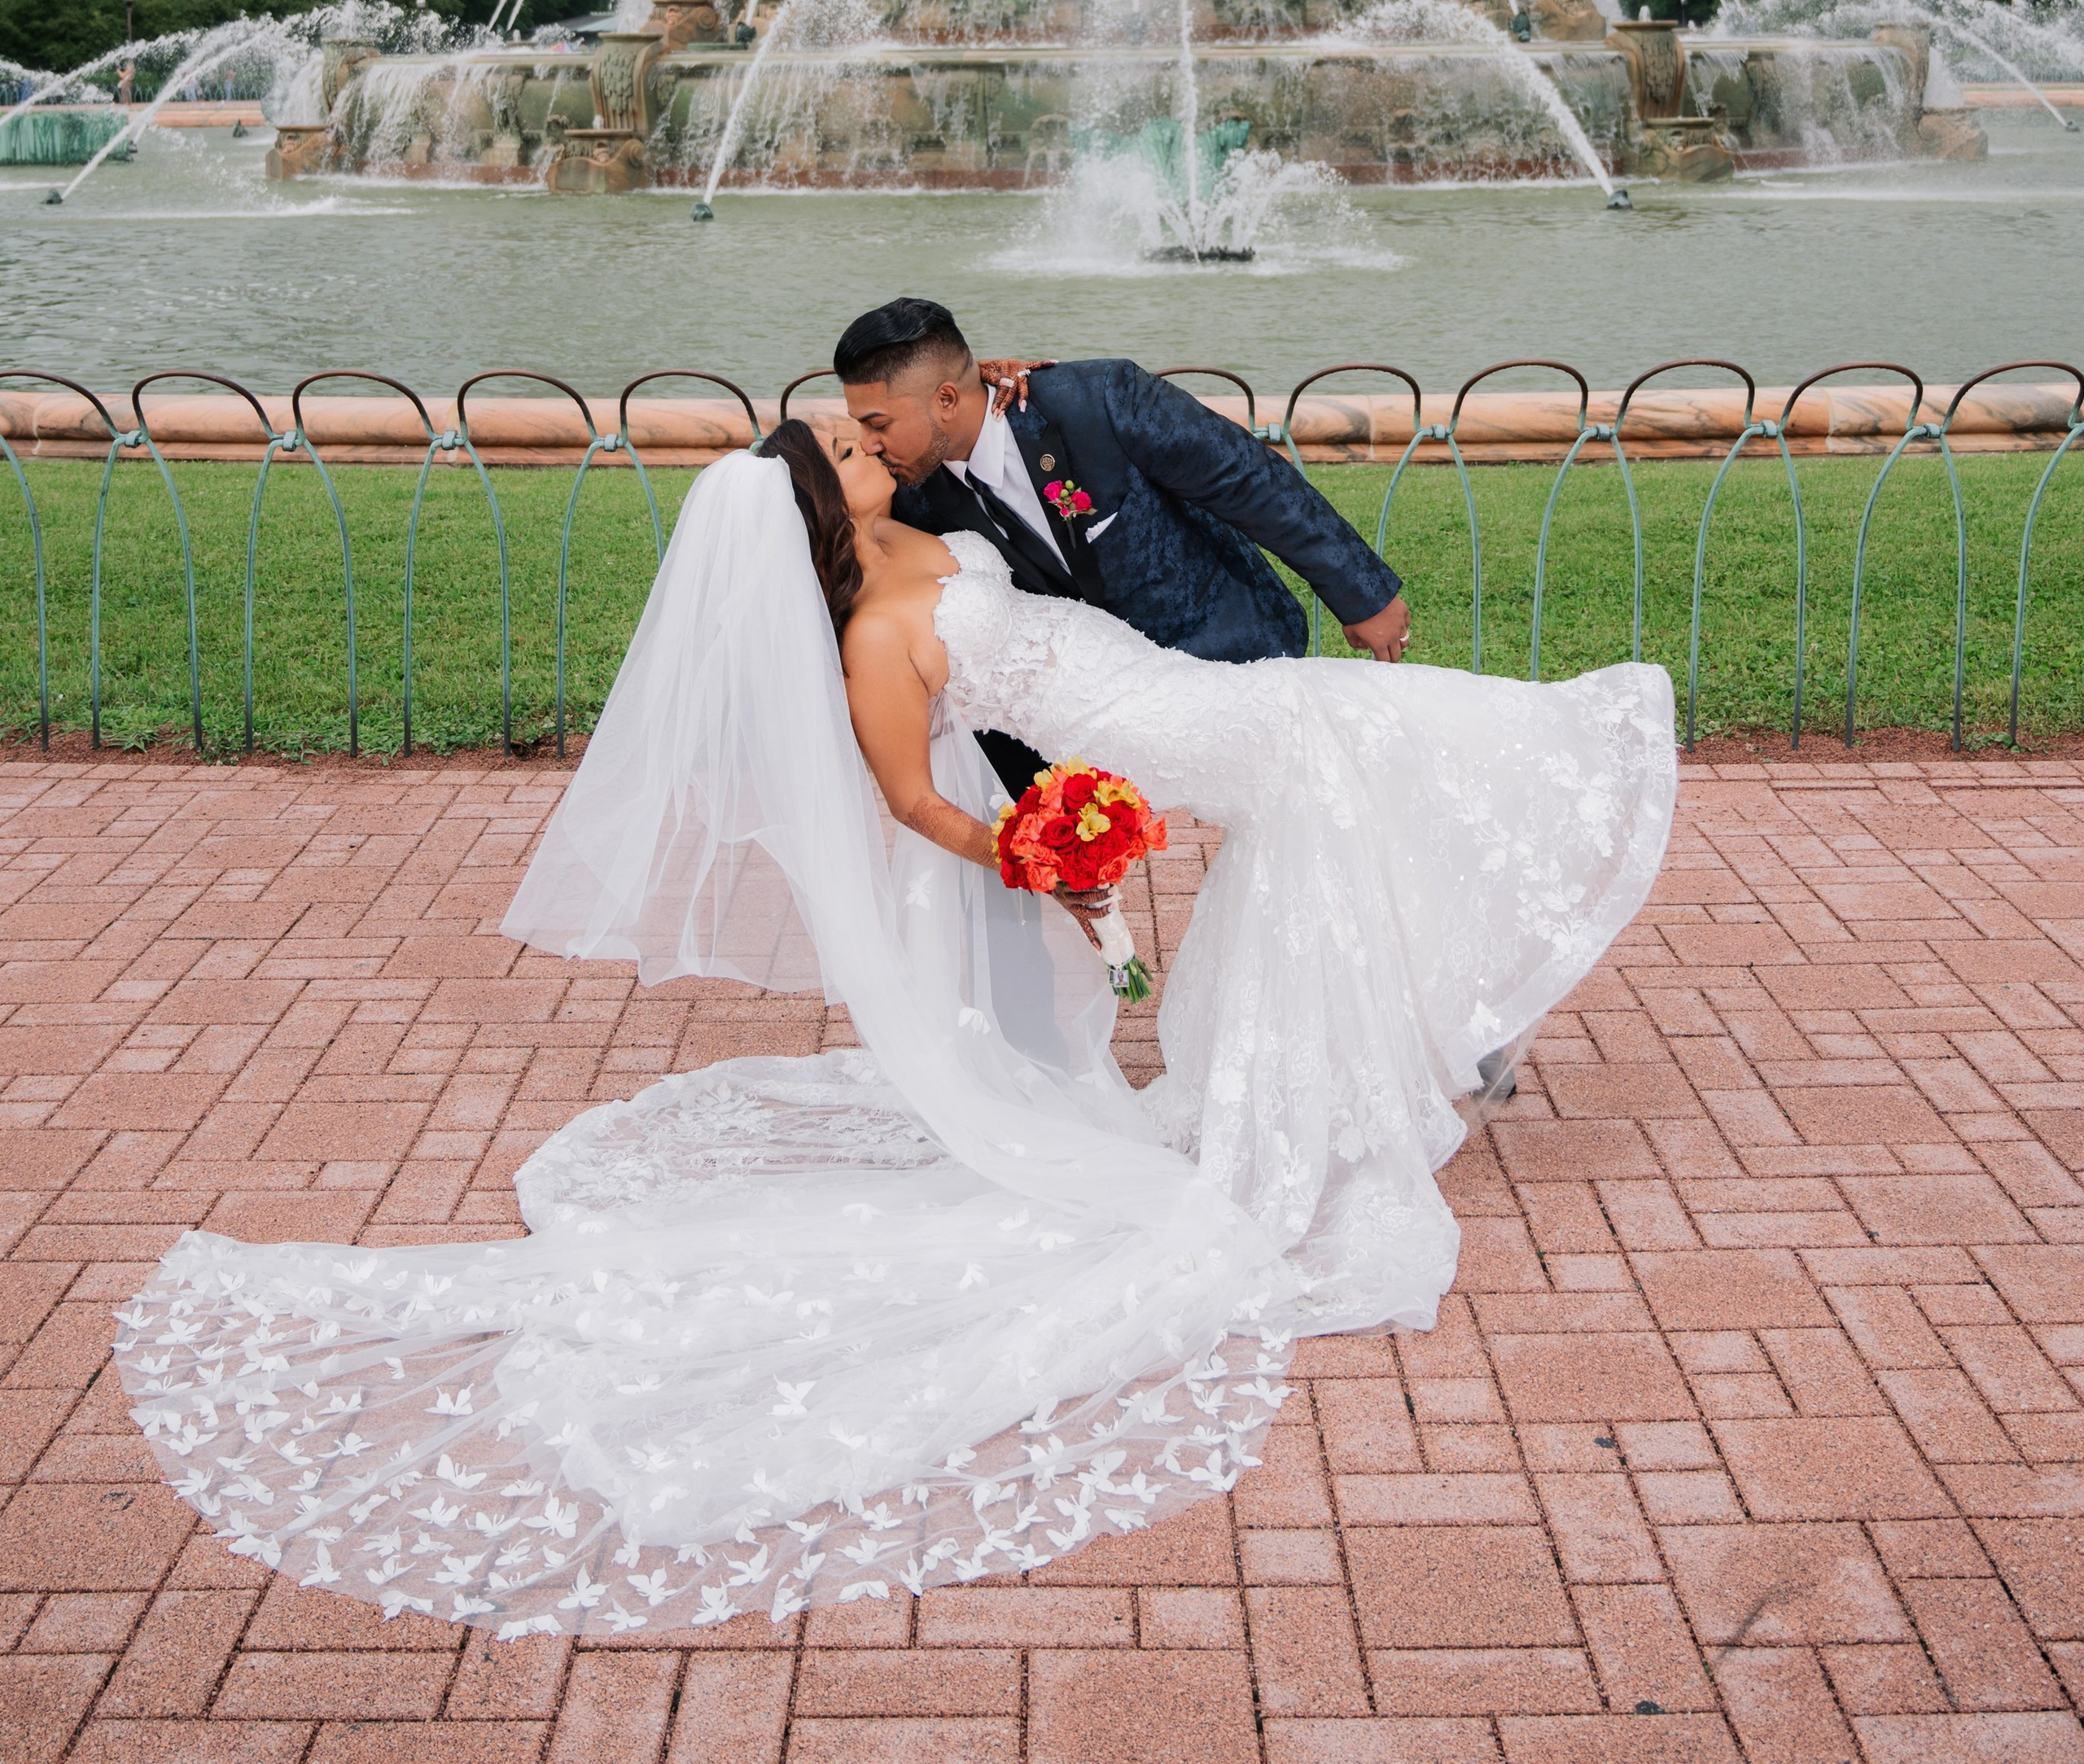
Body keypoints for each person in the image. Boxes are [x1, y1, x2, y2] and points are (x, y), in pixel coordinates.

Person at [116, 431, 1675, 1644]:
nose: (877, 450)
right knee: (1398, 744)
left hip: (1172, 698)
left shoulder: (928, 533)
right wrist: (1040, 855)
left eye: (869, 436)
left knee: (1374, 771)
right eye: (852, 449)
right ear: (818, 504)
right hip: (1170, 735)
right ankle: (1429, 1022)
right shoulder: (868, 635)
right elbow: (914, 796)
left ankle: (1426, 1025)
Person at [835, 295, 1409, 797]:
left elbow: (1244, 477)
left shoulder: (1099, 400)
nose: (867, 443)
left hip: (1226, 655)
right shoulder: (913, 501)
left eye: (878, 422)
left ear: (944, 400)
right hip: (1088, 726)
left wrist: (1361, 593)